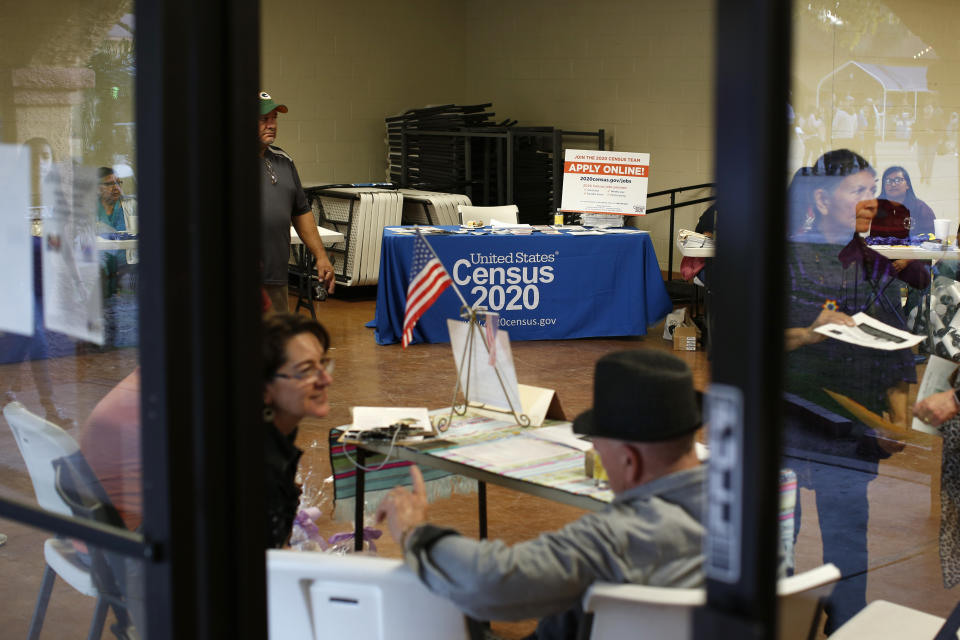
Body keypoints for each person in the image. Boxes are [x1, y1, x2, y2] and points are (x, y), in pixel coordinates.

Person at [375, 350, 705, 640]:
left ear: (629, 462)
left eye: (598, 449)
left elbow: (491, 583)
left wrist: (414, 533)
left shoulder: (617, 538)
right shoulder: (744, 508)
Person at [784, 149, 919, 633]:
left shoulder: (872, 264)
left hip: (851, 430)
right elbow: (743, 344)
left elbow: (900, 353)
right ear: (821, 198)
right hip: (789, 424)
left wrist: (897, 421)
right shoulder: (784, 261)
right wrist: (806, 334)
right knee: (780, 539)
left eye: (872, 190)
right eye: (857, 191)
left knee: (847, 541)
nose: (870, 202)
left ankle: (848, 626)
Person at [262, 312, 334, 548]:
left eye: (322, 364)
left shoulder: (278, 434)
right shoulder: (255, 464)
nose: (325, 379)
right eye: (306, 370)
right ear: (265, 388)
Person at [258, 91, 335, 313]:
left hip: (276, 277)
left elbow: (301, 212)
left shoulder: (284, 161)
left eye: (274, 119)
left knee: (276, 341)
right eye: (264, 119)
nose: (271, 125)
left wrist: (320, 256)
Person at [877, 166, 935, 236]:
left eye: (898, 180)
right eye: (888, 181)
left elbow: (930, 236)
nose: (893, 184)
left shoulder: (920, 208)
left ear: (907, 185)